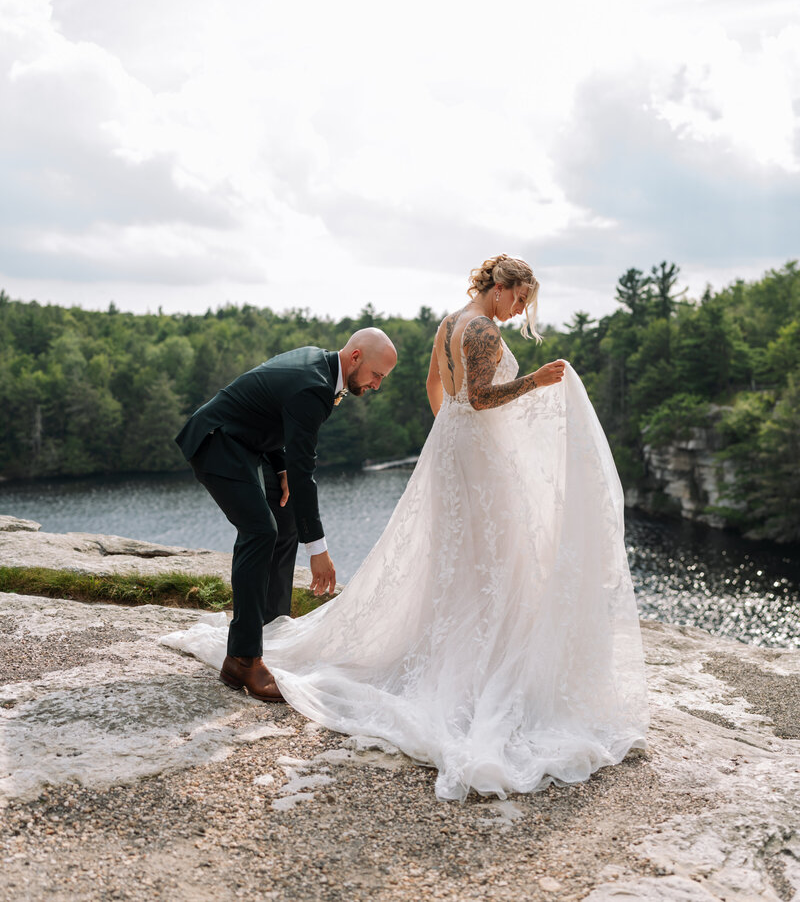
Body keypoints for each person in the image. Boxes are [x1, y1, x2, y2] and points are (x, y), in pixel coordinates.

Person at [165, 257, 648, 800]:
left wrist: (452, 431)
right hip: (237, 442)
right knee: (487, 557)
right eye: (519, 301)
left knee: (454, 556)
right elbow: (483, 398)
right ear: (501, 289)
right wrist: (534, 382)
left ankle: (259, 639)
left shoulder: (449, 323)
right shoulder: (481, 330)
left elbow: (433, 386)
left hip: (452, 449)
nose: (518, 314)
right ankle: (246, 657)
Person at [174, 328, 397, 702]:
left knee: (285, 518)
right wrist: (318, 550)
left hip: (247, 444)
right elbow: (304, 472)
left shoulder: (320, 367)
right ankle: (243, 659)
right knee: (259, 531)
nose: (377, 385)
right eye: (376, 375)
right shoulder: (315, 386)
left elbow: (273, 414)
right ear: (355, 357)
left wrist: (280, 470)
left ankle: (269, 630)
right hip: (216, 442)